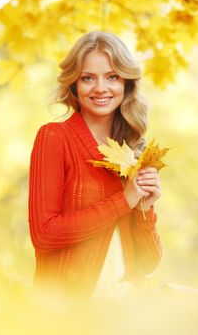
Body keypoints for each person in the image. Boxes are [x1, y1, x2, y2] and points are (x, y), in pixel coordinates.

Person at [27, 31, 162, 300]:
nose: (101, 88)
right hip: (64, 312)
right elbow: (44, 234)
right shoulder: (55, 137)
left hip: (124, 314)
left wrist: (145, 210)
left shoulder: (133, 153)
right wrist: (123, 202)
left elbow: (148, 263)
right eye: (88, 78)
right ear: (74, 84)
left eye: (112, 77)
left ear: (126, 83)